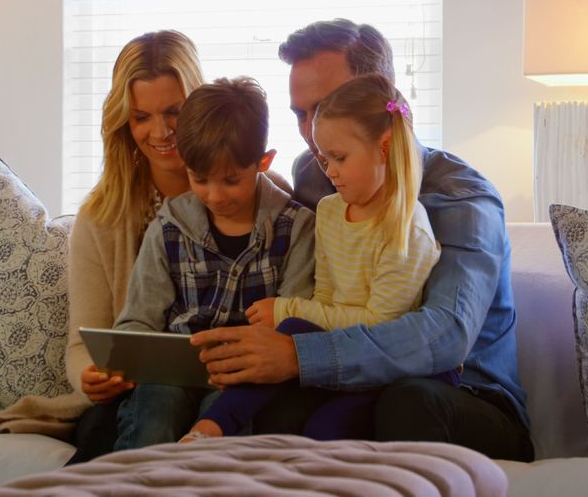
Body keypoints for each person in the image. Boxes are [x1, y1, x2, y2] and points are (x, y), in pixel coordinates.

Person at [189, 19, 534, 460]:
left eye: (326, 106)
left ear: (378, 97)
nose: (312, 132)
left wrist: (301, 356)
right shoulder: (315, 175)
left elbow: (446, 335)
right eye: (299, 113)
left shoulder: (462, 197)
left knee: (408, 401)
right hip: (355, 381)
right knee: (282, 404)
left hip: (466, 396)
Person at [182, 75, 453, 442]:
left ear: (385, 148)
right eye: (325, 159)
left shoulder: (405, 230)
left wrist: (286, 309)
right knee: (285, 340)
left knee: (318, 409)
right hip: (333, 351)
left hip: (387, 367)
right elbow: (323, 297)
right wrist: (293, 319)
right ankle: (209, 429)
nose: (330, 172)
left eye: (340, 158)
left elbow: (379, 326)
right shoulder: (328, 211)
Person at [113, 77, 316, 450]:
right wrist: (124, 359)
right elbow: (138, 319)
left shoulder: (296, 227)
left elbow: (294, 321)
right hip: (170, 376)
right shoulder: (169, 225)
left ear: (264, 162)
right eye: (200, 179)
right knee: (152, 420)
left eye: (231, 180)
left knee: (223, 436)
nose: (215, 195)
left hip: (244, 379)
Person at [60, 30, 205, 463]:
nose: (160, 132)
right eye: (141, 116)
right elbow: (80, 344)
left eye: (175, 111)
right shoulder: (100, 217)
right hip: (134, 396)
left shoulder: (257, 194)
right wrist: (90, 375)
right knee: (109, 428)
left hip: (227, 391)